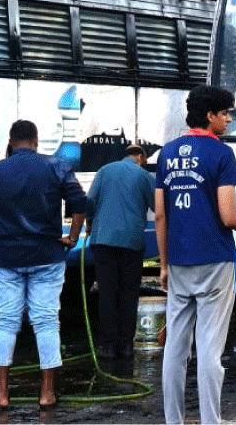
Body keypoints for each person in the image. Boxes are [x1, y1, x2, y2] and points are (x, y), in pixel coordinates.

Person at [155, 85, 236, 424]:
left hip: (180, 261)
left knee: (175, 349)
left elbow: (160, 215)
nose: (228, 119)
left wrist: (165, 265)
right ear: (210, 116)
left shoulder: (166, 154)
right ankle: (211, 421)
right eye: (225, 113)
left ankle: (174, 421)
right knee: (210, 351)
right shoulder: (221, 155)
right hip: (215, 261)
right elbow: (229, 216)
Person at [0, 120, 86, 411]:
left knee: (4, 323)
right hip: (47, 255)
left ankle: (1, 395)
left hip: (6, 257)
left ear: (11, 142)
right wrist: (73, 237)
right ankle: (46, 394)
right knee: (46, 322)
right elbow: (80, 203)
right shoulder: (56, 166)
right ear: (36, 140)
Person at [86, 144, 155, 359]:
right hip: (132, 242)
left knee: (107, 292)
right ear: (141, 157)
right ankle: (126, 345)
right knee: (128, 292)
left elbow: (89, 202)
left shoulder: (104, 171)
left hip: (103, 240)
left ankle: (107, 346)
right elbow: (158, 207)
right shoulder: (144, 176)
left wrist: (90, 223)